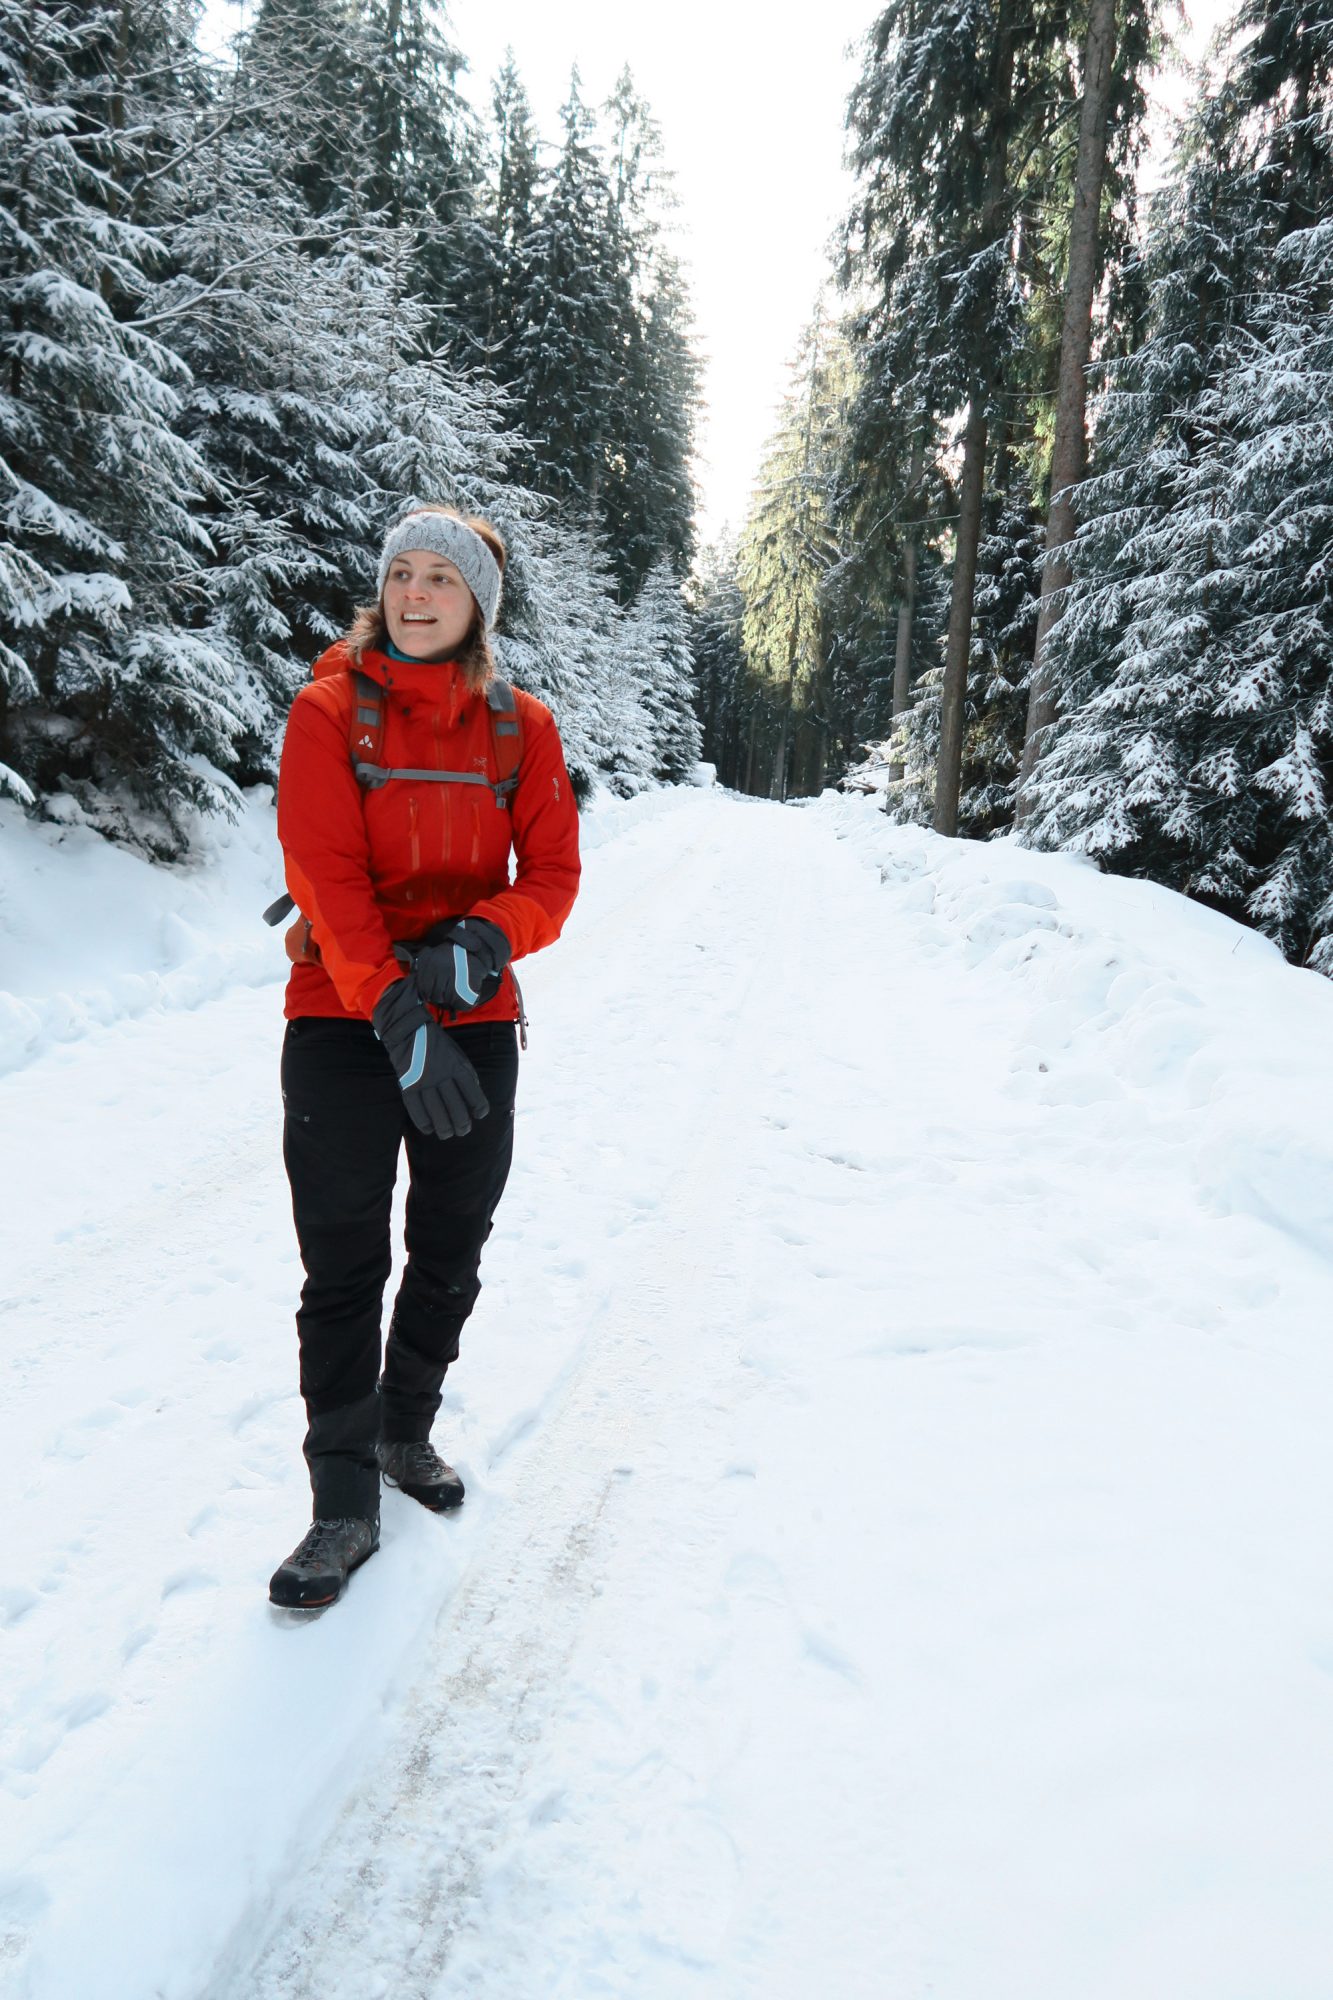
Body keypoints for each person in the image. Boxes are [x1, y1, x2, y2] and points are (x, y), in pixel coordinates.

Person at [268, 506, 580, 1608]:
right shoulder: (325, 712)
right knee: (343, 1265)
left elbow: (552, 874)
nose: (413, 592)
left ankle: (405, 1432)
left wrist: (488, 939)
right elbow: (324, 879)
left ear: (477, 607)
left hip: (475, 1024)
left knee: (450, 1241)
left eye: (440, 577)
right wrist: (397, 1014)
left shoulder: (519, 729)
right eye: (400, 571)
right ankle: (340, 1505)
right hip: (343, 1022)